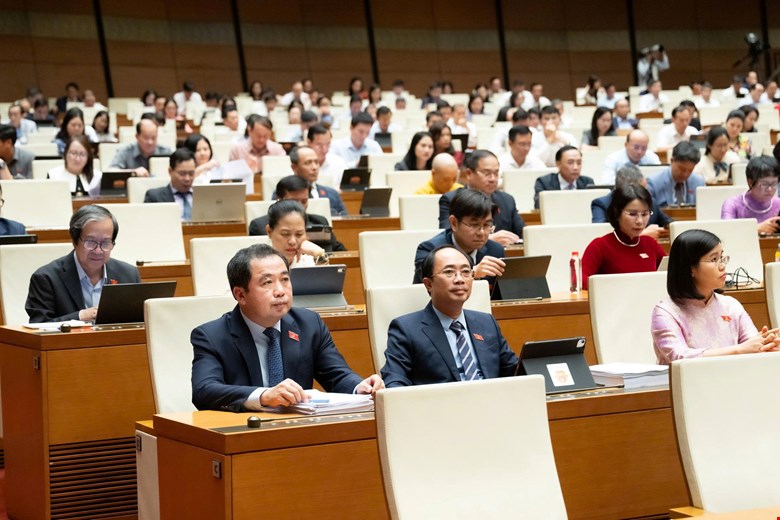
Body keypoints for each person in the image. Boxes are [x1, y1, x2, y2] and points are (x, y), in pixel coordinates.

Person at [190, 243, 383, 411]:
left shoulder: (308, 324)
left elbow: (336, 374)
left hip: (299, 431)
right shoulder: (212, 336)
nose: (280, 291)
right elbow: (204, 390)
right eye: (267, 282)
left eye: (285, 279)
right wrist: (264, 396)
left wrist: (360, 387)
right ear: (240, 295)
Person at [382, 244, 518, 387]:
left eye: (466, 272)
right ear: (429, 284)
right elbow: (394, 381)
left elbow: (514, 371)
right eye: (449, 272)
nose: (459, 279)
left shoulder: (486, 322)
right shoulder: (406, 329)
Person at [651, 229, 780, 364]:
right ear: (690, 268)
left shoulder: (731, 304)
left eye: (722, 258)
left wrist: (766, 345)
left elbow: (751, 344)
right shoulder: (666, 311)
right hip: (689, 384)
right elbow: (678, 357)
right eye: (714, 259)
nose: (723, 266)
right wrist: (738, 350)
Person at [25, 205, 141, 322]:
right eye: (90, 242)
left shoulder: (129, 275)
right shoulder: (46, 279)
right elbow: (38, 327)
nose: (98, 250)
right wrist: (80, 316)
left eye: (106, 243)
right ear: (75, 241)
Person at [416, 189, 505, 298]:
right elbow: (422, 296)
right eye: (474, 225)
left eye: (487, 225)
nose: (481, 233)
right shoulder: (430, 250)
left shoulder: (495, 250)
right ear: (454, 223)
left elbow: (499, 298)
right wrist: (472, 273)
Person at [581, 184, 666, 290]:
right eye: (632, 214)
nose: (640, 221)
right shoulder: (599, 246)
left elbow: (670, 277)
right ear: (617, 213)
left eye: (644, 214)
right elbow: (581, 282)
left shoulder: (651, 244)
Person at [438, 150, 524, 246]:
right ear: (469, 173)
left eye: (496, 173)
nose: (493, 179)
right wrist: (488, 239)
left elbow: (523, 234)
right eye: (487, 173)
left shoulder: (507, 200)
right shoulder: (452, 200)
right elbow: (446, 237)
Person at [249, 175, 345, 252]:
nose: (300, 206)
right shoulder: (259, 226)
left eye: (304, 201)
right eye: (294, 201)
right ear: (278, 198)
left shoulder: (319, 221)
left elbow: (339, 250)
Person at [592, 164, 670, 239]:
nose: (647, 193)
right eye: (642, 190)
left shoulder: (651, 201)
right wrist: (642, 235)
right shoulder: (601, 204)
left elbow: (669, 222)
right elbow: (599, 234)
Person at [721, 156, 780, 234]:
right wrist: (756, 228)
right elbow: (725, 231)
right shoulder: (732, 204)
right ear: (750, 182)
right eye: (764, 184)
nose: (770, 189)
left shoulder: (778, 203)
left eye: (774, 184)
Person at [263, 200, 331, 267]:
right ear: (269, 231)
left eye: (299, 234)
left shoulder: (311, 262)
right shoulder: (258, 264)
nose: (292, 242)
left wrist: (319, 254)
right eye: (285, 234)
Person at [290, 145, 346, 216]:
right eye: (308, 163)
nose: (314, 167)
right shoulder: (285, 193)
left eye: (316, 162)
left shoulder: (332, 194)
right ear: (294, 167)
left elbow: (345, 221)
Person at [143, 148, 196, 220]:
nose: (187, 178)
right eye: (182, 174)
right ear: (170, 171)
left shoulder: (204, 196)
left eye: (191, 173)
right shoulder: (154, 197)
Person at [646, 141, 704, 207]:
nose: (685, 174)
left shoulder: (699, 183)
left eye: (690, 170)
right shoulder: (654, 183)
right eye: (682, 169)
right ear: (672, 161)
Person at [306, 124, 346, 188]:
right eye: (319, 145)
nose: (324, 150)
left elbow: (347, 188)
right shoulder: (299, 164)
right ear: (309, 142)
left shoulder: (338, 162)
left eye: (328, 144)